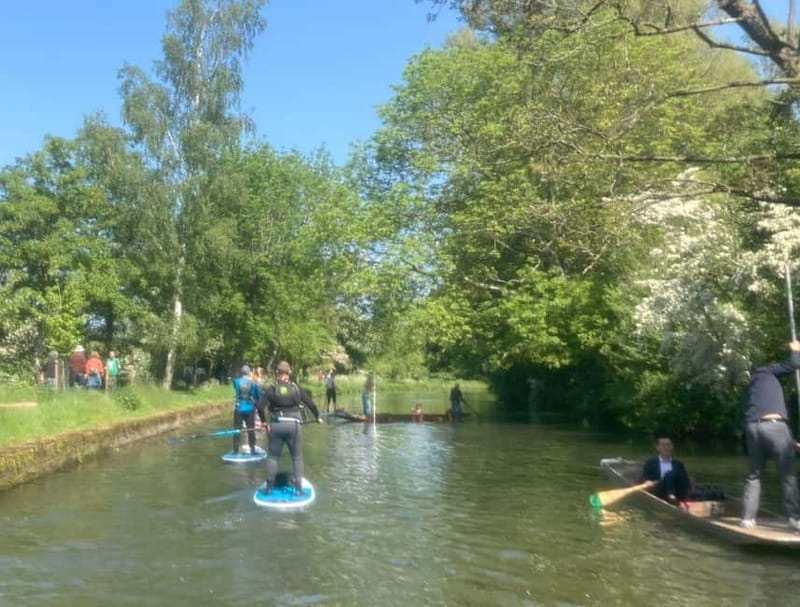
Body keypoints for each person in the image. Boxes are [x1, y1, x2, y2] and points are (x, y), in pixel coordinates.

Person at [740, 340, 800, 530]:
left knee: (754, 476)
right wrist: (795, 350)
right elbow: (793, 364)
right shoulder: (766, 371)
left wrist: (790, 442)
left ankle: (748, 519)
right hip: (775, 426)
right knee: (787, 474)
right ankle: (794, 518)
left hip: (752, 428)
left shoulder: (750, 387)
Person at [257, 360, 323, 495]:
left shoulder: (272, 388)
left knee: (273, 457)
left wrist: (264, 422)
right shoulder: (296, 388)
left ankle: (268, 489)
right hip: (294, 426)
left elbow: (260, 407)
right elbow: (310, 403)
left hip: (276, 426)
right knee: (297, 458)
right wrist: (317, 416)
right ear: (289, 372)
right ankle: (298, 490)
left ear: (277, 373)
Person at [641, 436, 691, 505]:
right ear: (657, 448)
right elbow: (645, 478)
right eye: (663, 445)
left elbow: (685, 481)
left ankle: (672, 495)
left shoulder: (678, 464)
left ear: (672, 447)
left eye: (668, 445)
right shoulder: (650, 462)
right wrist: (648, 482)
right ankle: (670, 495)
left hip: (677, 491)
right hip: (660, 490)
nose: (666, 447)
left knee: (670, 474)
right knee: (669, 474)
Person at [232, 365, 261, 454]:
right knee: (251, 429)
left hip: (239, 408)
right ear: (249, 373)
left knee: (237, 430)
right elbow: (257, 396)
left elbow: (234, 383)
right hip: (250, 408)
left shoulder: (236, 381)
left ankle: (235, 450)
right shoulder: (253, 383)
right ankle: (252, 449)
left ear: (241, 372)